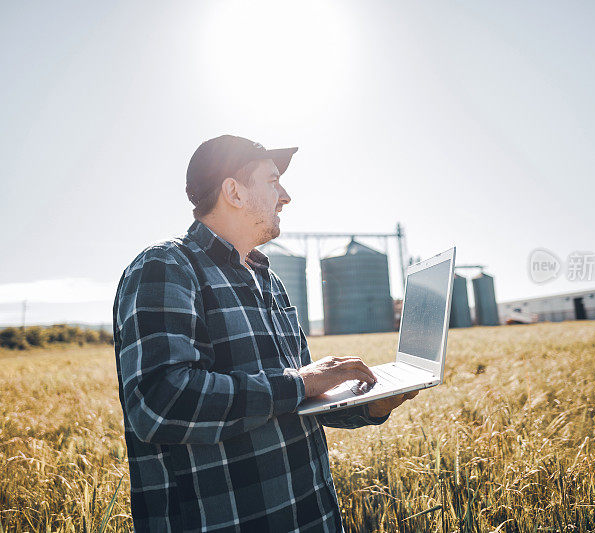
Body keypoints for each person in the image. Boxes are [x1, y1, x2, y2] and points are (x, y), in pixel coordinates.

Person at [112, 135, 418, 532]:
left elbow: (298, 400)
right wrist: (302, 381)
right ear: (234, 192)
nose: (285, 195)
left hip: (310, 515)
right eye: (273, 181)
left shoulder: (268, 279)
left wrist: (370, 406)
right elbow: (160, 403)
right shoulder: (165, 266)